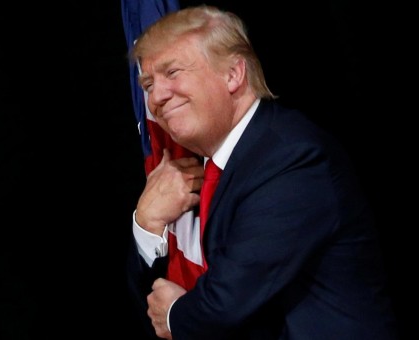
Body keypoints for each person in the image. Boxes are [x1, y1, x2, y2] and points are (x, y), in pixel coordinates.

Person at [125, 4, 398, 340]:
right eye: (149, 83)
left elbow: (226, 302)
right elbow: (150, 304)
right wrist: (146, 224)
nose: (157, 98)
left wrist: (175, 315)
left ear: (232, 74)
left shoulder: (291, 158)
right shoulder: (197, 172)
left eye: (173, 72)